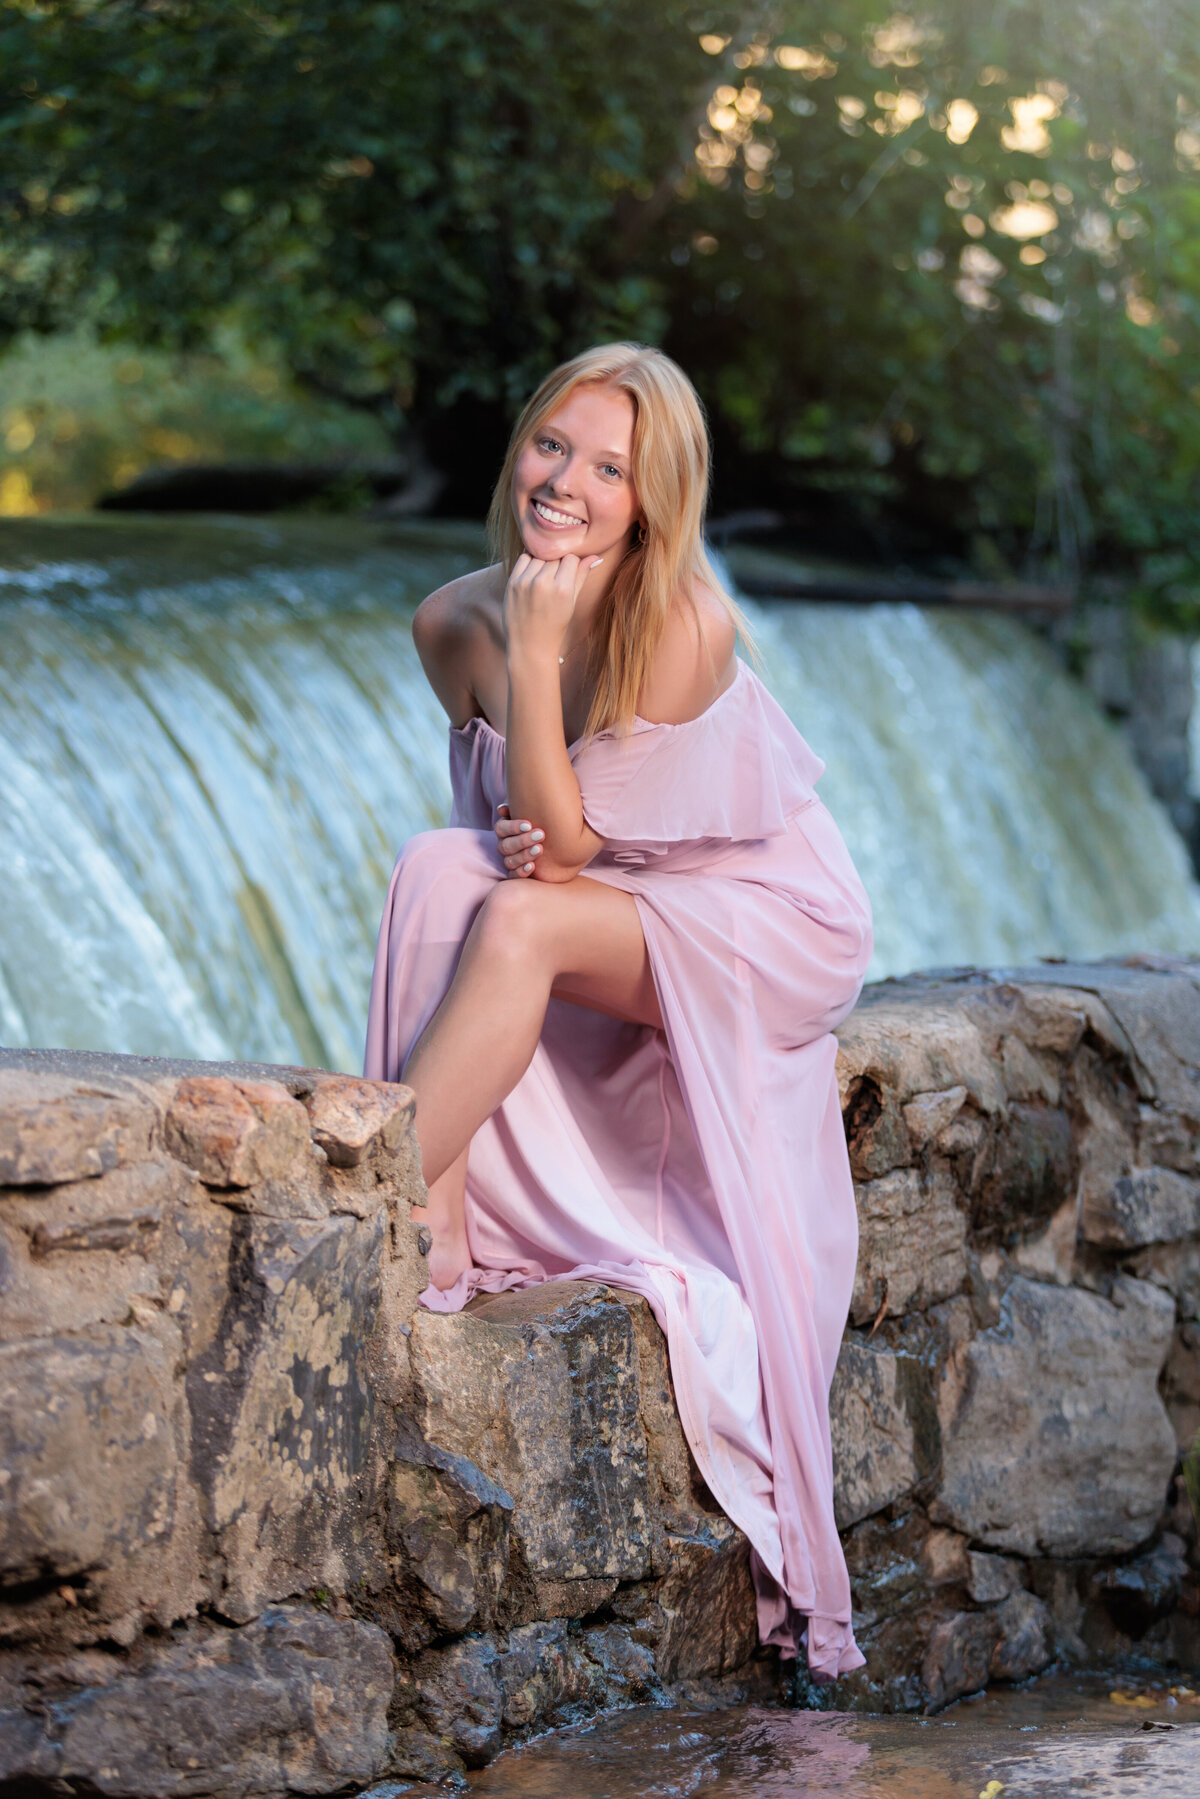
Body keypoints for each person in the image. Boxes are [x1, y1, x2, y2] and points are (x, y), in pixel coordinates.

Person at [364, 342, 874, 1679]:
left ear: (652, 501)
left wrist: (539, 657)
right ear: (517, 445)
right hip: (616, 892)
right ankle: (437, 1218)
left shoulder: (685, 622)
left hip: (761, 917)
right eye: (552, 448)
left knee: (522, 913)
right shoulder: (445, 621)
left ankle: (362, 1201)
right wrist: (539, 800)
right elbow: (517, 824)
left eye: (610, 470)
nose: (568, 485)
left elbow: (567, 859)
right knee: (436, 866)